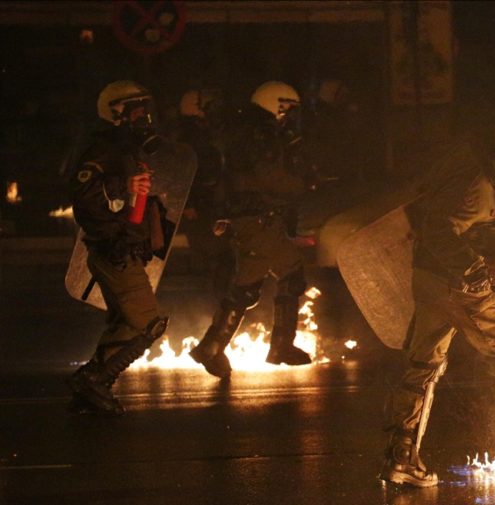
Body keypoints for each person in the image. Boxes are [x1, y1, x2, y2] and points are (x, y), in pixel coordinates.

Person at [379, 116, 495, 487]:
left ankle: (402, 457)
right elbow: (437, 227)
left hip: (431, 278)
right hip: (455, 282)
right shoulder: (477, 183)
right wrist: (471, 271)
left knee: (424, 363)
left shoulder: (475, 162)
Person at [188, 81, 313, 376]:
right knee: (287, 275)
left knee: (249, 286)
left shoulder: (245, 131)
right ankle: (275, 346)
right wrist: (302, 184)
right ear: (274, 104)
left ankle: (213, 348)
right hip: (257, 218)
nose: (288, 116)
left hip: (251, 218)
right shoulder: (262, 134)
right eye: (286, 109)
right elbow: (269, 176)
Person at [67, 81, 170, 415]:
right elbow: (84, 197)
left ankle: (91, 385)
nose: (143, 116)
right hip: (114, 248)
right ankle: (95, 380)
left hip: (123, 245)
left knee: (122, 323)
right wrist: (121, 186)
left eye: (144, 108)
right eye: (134, 109)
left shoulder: (125, 148)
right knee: (148, 323)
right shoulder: (101, 149)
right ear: (115, 112)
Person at [175, 88, 234, 300]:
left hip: (209, 205)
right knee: (215, 258)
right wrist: (189, 204)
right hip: (199, 209)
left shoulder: (207, 136)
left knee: (221, 256)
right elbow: (182, 172)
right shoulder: (189, 139)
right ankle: (212, 304)